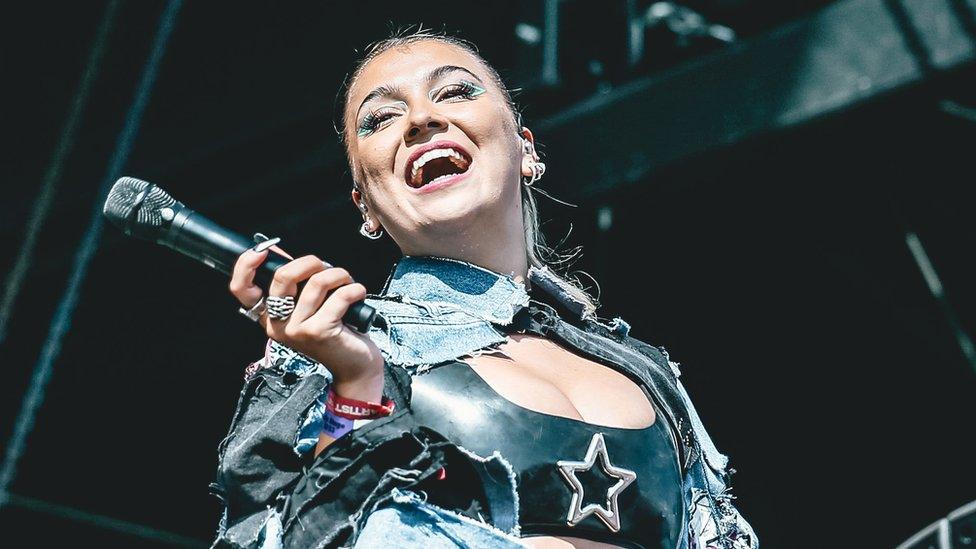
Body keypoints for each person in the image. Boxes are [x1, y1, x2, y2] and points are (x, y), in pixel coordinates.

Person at [212, 30, 757, 549]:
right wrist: (354, 387)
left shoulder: (643, 367)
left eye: (454, 91)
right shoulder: (342, 342)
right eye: (379, 118)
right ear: (366, 206)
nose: (422, 119)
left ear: (525, 149)